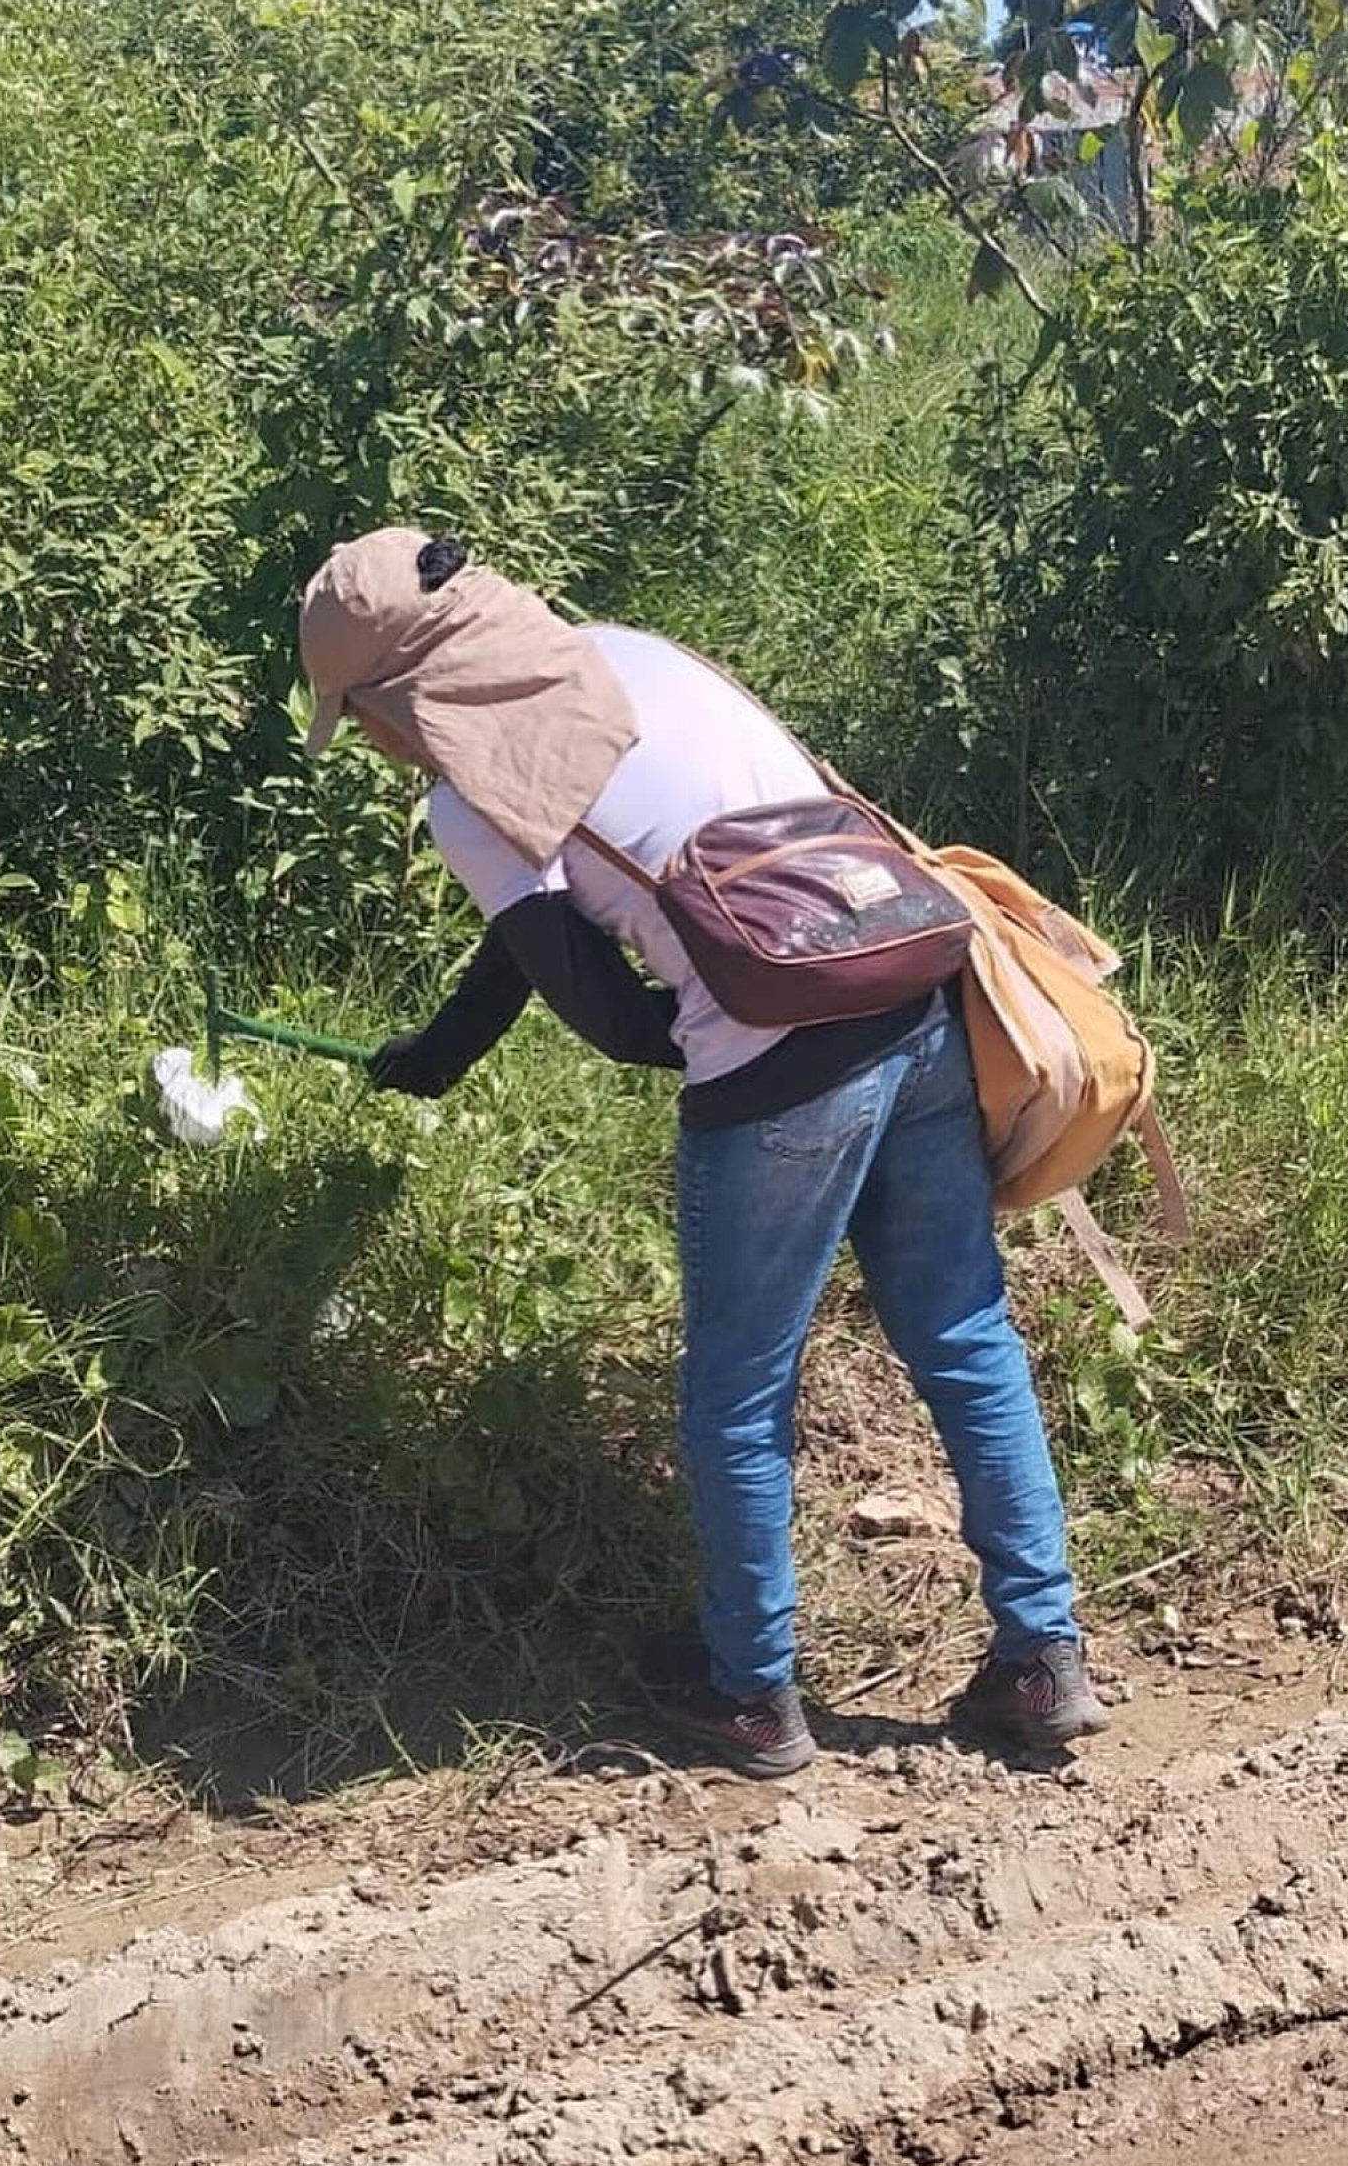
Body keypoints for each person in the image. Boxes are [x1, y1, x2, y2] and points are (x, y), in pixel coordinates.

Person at [299, 526, 1108, 1778]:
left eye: (359, 719)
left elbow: (615, 1014)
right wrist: (449, 1044)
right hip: (918, 986)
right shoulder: (637, 655)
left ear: (404, 694)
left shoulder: (465, 801)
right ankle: (1042, 1661)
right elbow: (557, 902)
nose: (374, 745)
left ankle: (753, 1696)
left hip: (785, 1060)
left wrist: (749, 1063)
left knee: (737, 1390)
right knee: (962, 1334)